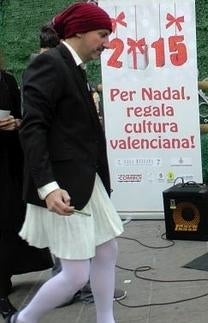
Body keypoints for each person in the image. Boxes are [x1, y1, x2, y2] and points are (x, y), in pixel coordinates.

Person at [7, 3, 124, 323]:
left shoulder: (72, 66)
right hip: (63, 184)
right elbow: (33, 128)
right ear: (78, 31)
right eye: (102, 35)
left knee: (106, 250)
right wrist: (48, 187)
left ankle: (105, 319)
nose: (106, 43)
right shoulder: (48, 64)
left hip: (85, 180)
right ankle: (24, 319)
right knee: (74, 275)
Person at [0, 54, 54, 319]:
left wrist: (15, 123)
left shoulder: (6, 79)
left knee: (9, 221)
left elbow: (24, 118)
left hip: (8, 163)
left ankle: (4, 275)